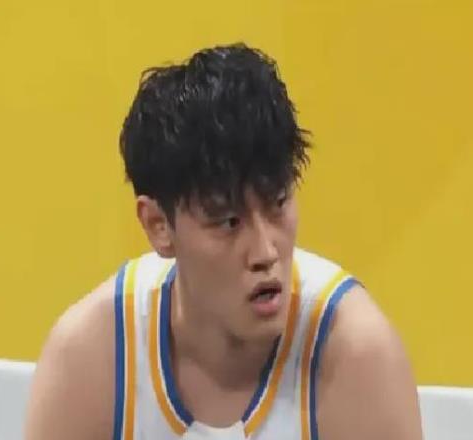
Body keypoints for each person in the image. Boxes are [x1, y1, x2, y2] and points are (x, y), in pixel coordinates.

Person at [25, 43, 423, 440]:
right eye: (229, 222)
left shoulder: (356, 355)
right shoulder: (93, 359)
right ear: (158, 225)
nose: (266, 252)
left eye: (278, 203)